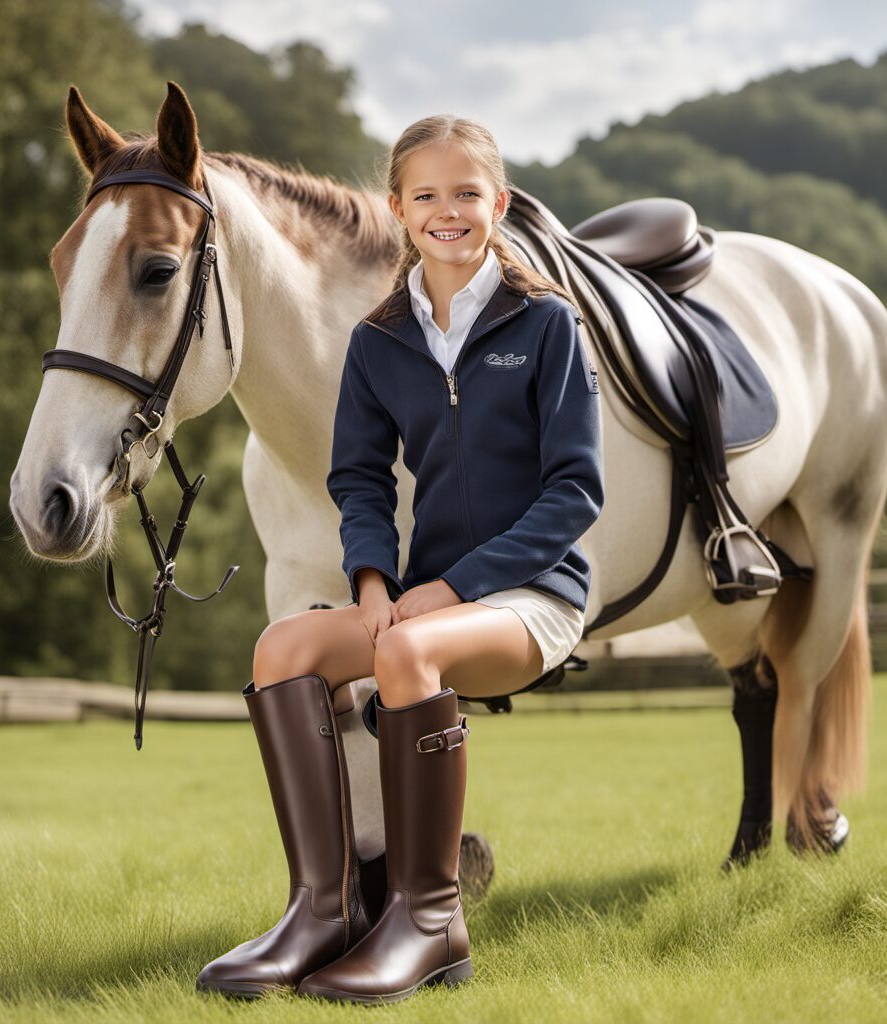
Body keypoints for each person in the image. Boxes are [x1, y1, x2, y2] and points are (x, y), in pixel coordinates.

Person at [196, 115, 605, 1006]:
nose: (447, 211)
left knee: (405, 654)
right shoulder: (381, 340)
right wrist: (375, 580)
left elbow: (575, 493)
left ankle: (429, 922)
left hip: (533, 598)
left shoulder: (548, 326)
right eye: (427, 195)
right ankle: (324, 907)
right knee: (283, 650)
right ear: (398, 208)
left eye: (467, 194)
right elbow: (358, 477)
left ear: (497, 203)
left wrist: (450, 588)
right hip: (420, 600)